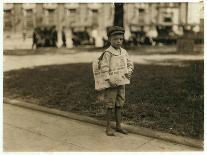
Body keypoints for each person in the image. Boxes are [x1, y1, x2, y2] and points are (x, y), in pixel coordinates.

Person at [98, 26, 134, 136]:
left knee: (119, 103)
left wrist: (129, 71)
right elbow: (104, 67)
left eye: (121, 39)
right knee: (110, 104)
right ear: (109, 40)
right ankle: (108, 127)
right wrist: (108, 79)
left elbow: (130, 63)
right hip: (111, 83)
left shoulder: (123, 52)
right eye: (115, 39)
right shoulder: (108, 53)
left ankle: (118, 126)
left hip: (121, 82)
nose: (119, 41)